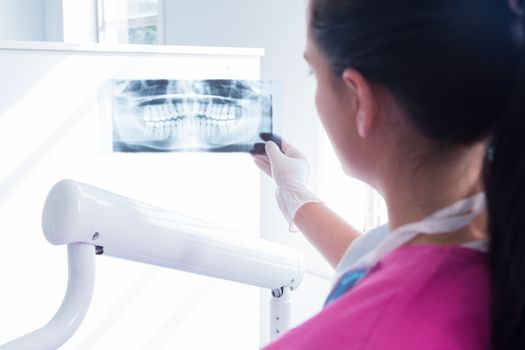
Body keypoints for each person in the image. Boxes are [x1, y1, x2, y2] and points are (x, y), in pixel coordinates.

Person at [253, 0, 525, 349]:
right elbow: (400, 263)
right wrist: (298, 199)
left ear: (360, 100)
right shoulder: (502, 231)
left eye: (313, 73)